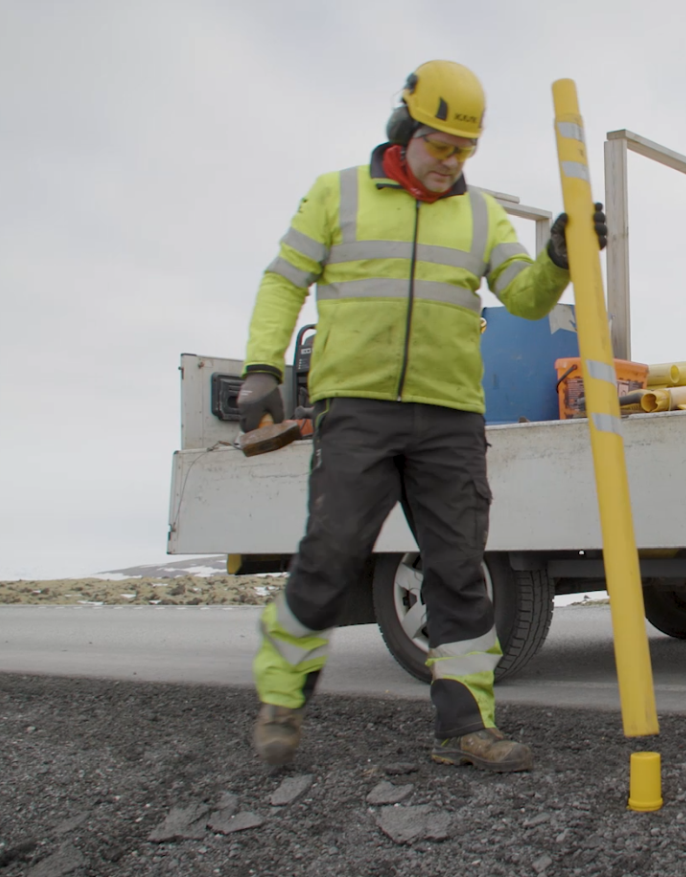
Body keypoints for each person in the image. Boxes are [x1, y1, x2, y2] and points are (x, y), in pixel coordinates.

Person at [237, 60, 607, 772]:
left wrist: (559, 255)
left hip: (449, 417)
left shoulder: (480, 214)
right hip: (359, 409)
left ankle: (464, 726)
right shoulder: (336, 195)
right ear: (406, 127)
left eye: (465, 149)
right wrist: (261, 366)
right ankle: (281, 697)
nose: (452, 161)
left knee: (460, 572)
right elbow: (283, 282)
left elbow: (526, 297)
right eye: (441, 144)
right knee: (329, 555)